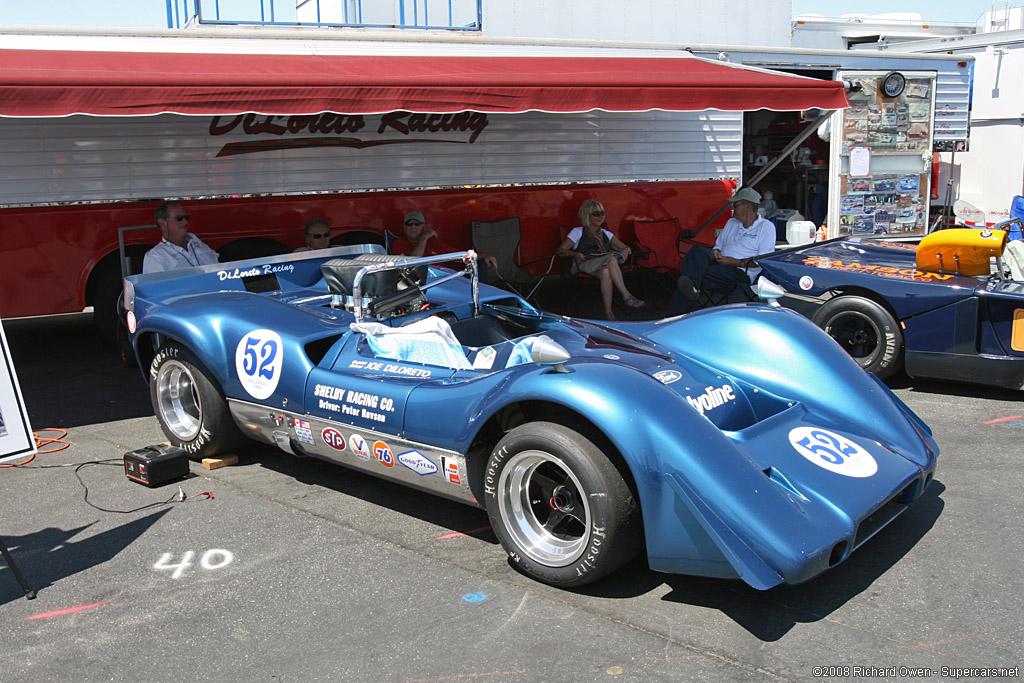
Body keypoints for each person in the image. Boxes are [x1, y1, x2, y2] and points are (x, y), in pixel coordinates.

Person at [670, 187, 776, 314]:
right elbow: (718, 246)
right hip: (719, 263)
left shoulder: (766, 227)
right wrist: (715, 252)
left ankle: (676, 314)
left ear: (747, 206)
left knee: (691, 276)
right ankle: (692, 289)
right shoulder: (731, 222)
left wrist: (736, 262)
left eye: (735, 205)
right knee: (696, 251)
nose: (732, 208)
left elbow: (764, 260)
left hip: (741, 271)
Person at [557, 199, 645, 320]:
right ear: (586, 215)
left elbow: (625, 247)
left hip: (600, 266)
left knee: (606, 271)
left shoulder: (605, 233)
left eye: (602, 213)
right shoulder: (578, 232)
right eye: (596, 214)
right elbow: (560, 250)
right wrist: (574, 254)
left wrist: (625, 251)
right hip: (582, 265)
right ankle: (626, 295)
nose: (600, 216)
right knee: (611, 258)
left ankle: (608, 313)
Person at [390, 211, 498, 272]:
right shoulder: (399, 244)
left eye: (417, 224)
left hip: (445, 278)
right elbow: (414, 263)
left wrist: (482, 255)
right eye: (409, 224)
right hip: (422, 283)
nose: (413, 227)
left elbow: (458, 255)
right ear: (404, 228)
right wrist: (424, 238)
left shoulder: (433, 242)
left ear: (423, 227)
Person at [143, 201, 220, 273]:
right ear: (163, 223)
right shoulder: (155, 257)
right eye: (179, 218)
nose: (185, 222)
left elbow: (218, 265)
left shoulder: (194, 240)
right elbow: (156, 286)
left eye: (186, 217)